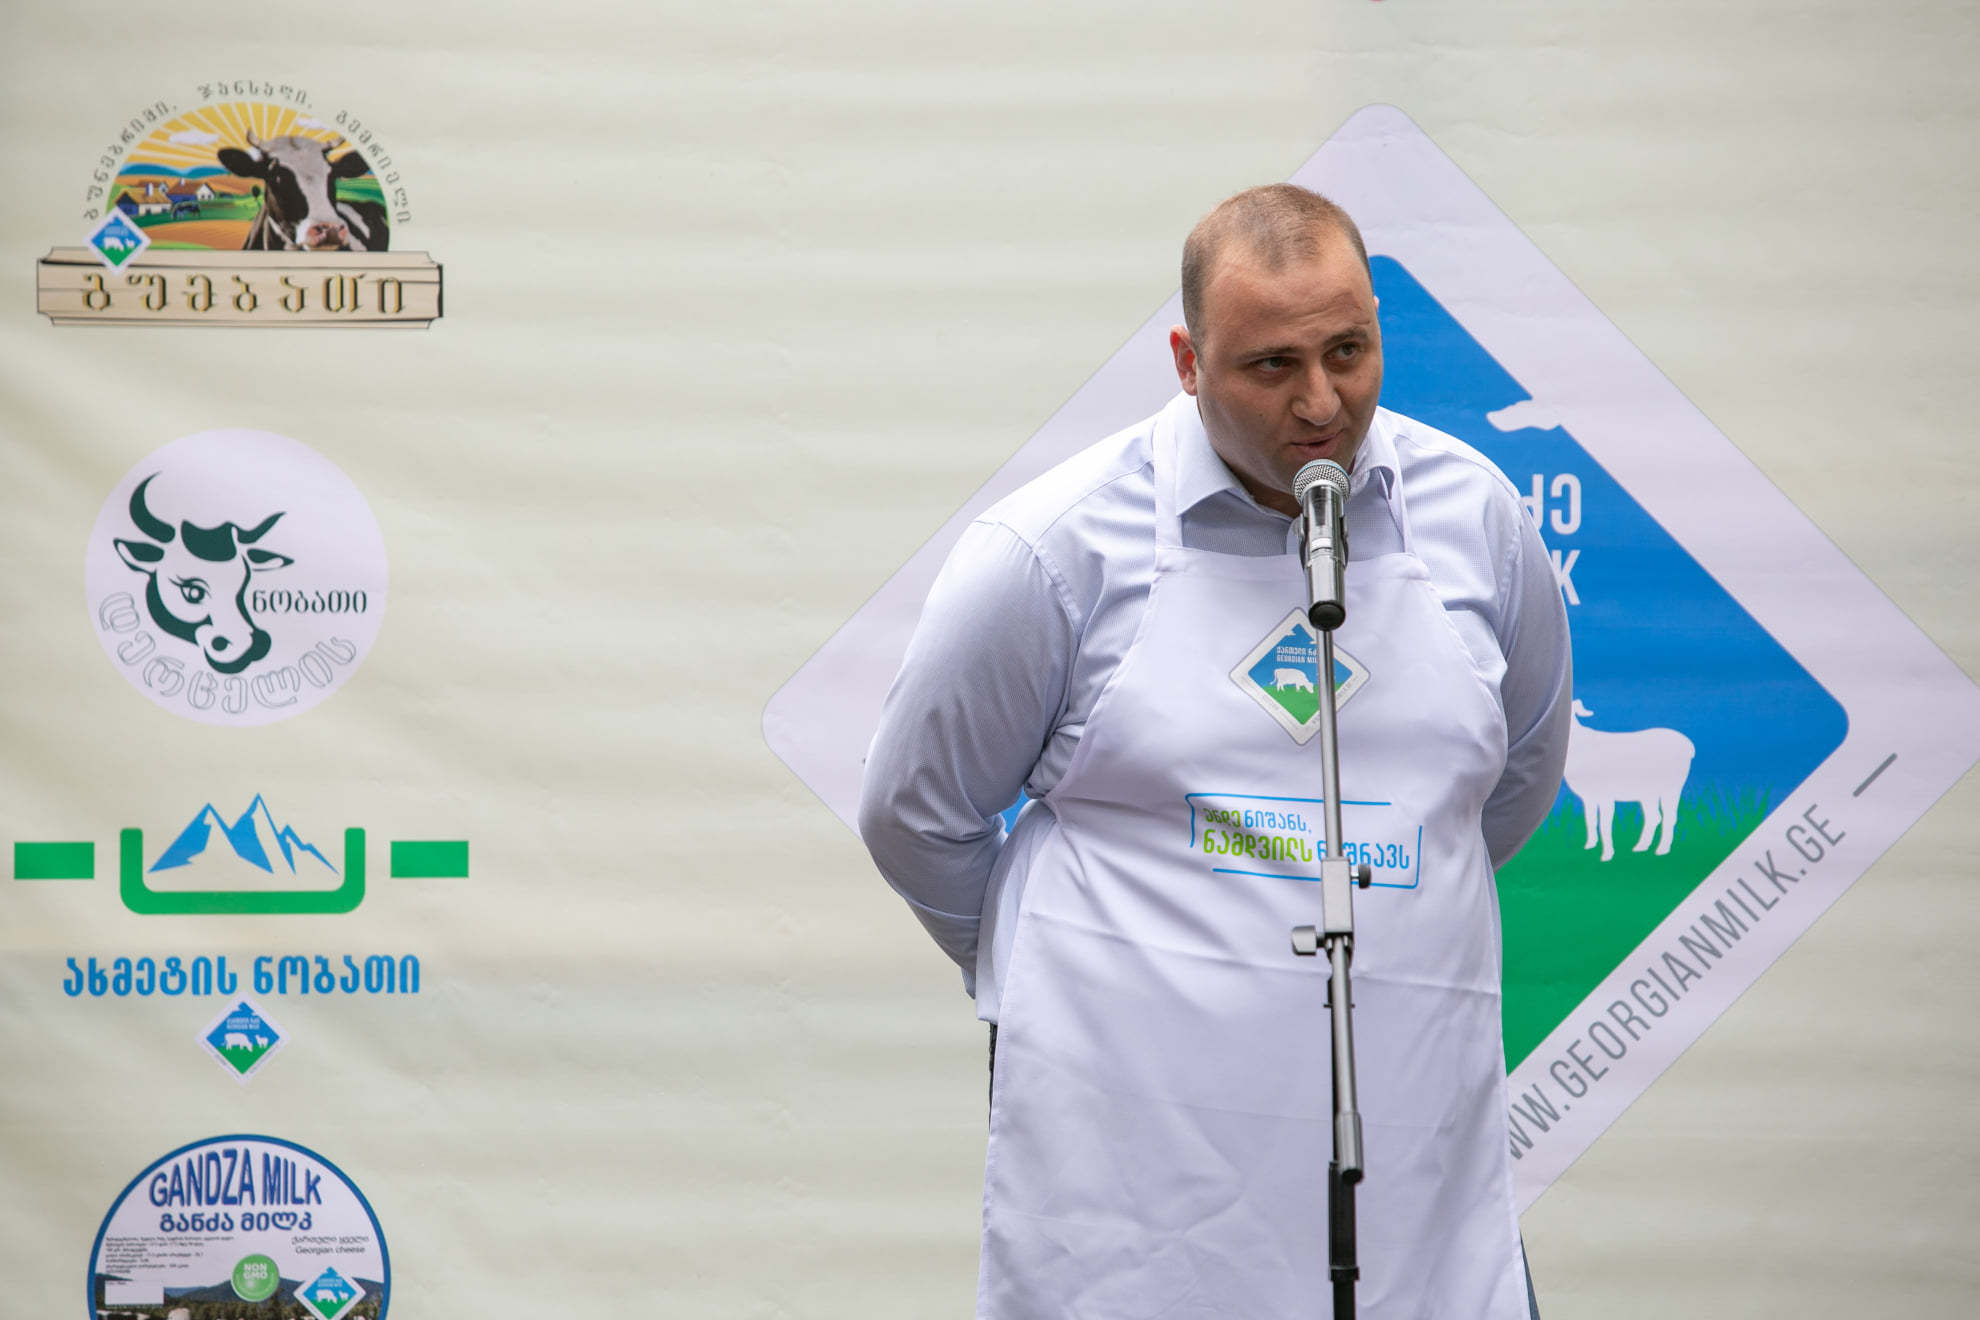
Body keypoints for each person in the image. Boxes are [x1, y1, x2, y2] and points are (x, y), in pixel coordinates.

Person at [859, 184, 1572, 1319]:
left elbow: (1512, 779)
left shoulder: (1476, 519)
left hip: (1411, 1143)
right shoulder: (1054, 551)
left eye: (1348, 352)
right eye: (1272, 365)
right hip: (1133, 1174)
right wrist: (1066, 972)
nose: (1321, 403)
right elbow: (915, 812)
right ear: (1189, 364)